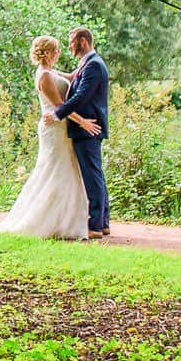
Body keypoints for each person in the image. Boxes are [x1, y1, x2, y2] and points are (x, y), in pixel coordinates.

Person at [0, 36, 90, 240]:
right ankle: (45, 220)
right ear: (48, 53)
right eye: (56, 50)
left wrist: (87, 61)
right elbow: (60, 106)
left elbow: (71, 76)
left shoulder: (51, 71)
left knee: (66, 170)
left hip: (62, 128)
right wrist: (83, 121)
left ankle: (64, 221)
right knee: (54, 170)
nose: (59, 53)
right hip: (54, 128)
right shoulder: (44, 76)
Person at [44, 26, 110, 238]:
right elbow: (73, 76)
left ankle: (95, 226)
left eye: (72, 42)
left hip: (88, 128)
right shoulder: (87, 63)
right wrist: (50, 72)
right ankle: (103, 223)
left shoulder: (94, 65)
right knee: (95, 174)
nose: (69, 46)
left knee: (92, 177)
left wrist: (57, 114)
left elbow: (80, 97)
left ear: (83, 41)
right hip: (84, 128)